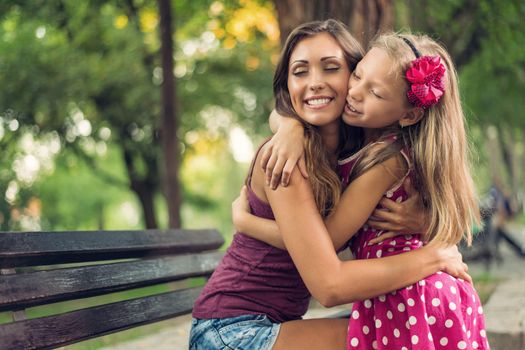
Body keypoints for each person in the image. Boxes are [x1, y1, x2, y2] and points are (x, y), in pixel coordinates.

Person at [190, 20, 470, 350]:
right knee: (389, 341)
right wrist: (434, 257)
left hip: (283, 323)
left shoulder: (355, 152)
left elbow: (325, 238)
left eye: (331, 68)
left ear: (353, 73)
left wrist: (423, 224)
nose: (315, 84)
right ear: (288, 85)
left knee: (419, 320)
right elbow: (329, 287)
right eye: (300, 72)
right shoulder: (285, 160)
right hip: (230, 329)